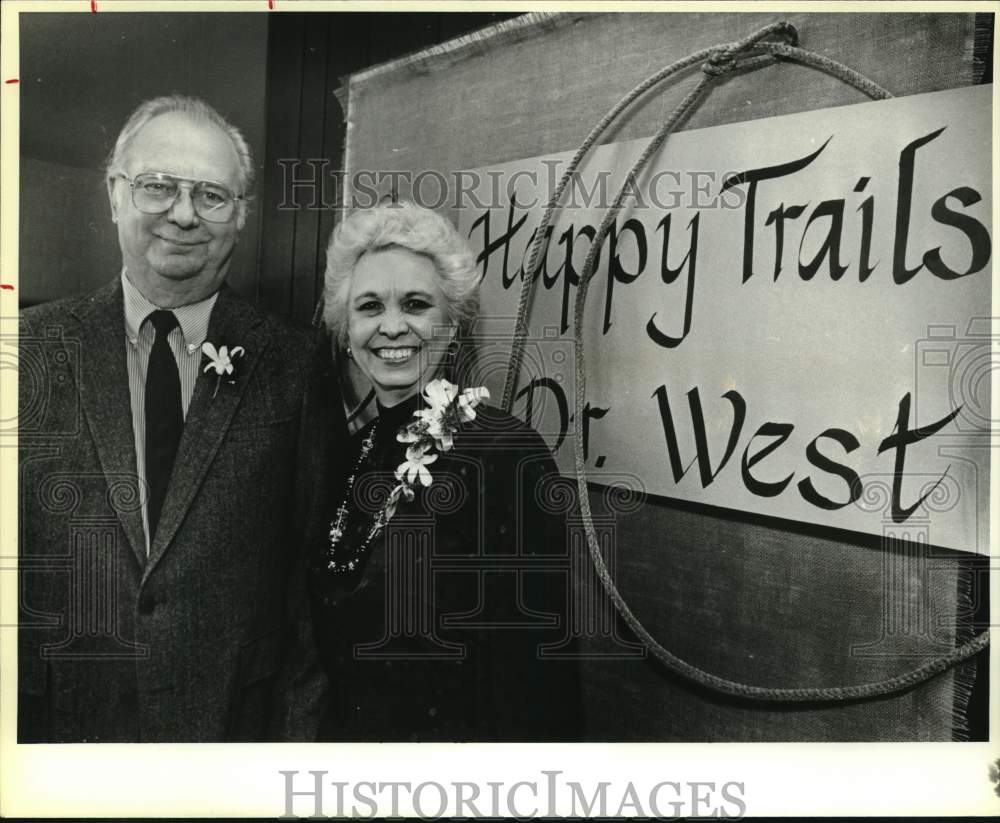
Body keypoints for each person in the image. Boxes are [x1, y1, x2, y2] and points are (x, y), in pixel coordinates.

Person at [18, 95, 338, 742]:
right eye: (158, 187)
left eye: (212, 196)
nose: (184, 214)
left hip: (228, 738)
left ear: (242, 216)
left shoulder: (297, 365)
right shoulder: (27, 350)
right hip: (61, 736)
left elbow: (310, 601)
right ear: (114, 195)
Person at [310, 202, 582, 741]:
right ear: (346, 331)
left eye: (416, 304)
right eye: (369, 307)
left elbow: (537, 671)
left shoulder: (504, 452)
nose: (392, 327)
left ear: (453, 324)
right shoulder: (351, 452)